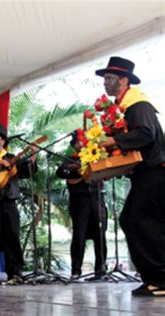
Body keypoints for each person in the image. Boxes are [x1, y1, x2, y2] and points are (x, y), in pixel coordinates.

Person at [97, 56, 165, 296]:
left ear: (124, 80)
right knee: (131, 220)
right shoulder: (123, 107)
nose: (105, 83)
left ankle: (160, 280)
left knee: (145, 222)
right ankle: (152, 278)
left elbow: (145, 134)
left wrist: (112, 141)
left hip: (156, 172)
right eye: (104, 79)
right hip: (145, 174)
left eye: (109, 78)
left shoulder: (138, 104)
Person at [0, 123, 36, 284]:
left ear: (3, 141)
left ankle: (15, 272)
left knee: (12, 236)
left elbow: (26, 173)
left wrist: (32, 157)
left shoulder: (11, 157)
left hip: (10, 201)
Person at [56, 130, 107, 281]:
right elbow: (61, 172)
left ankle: (101, 270)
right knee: (79, 235)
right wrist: (77, 171)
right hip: (79, 201)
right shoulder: (70, 159)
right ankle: (75, 271)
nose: (79, 145)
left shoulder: (97, 154)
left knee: (100, 235)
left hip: (97, 197)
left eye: (81, 142)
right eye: (76, 143)